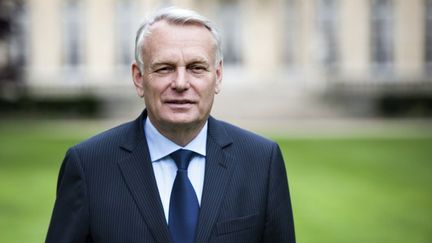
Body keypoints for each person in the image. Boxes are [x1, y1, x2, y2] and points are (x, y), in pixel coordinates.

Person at [45, 7, 295, 243]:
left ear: (217, 76)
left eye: (196, 68)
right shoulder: (89, 166)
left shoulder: (262, 161)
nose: (181, 83)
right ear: (138, 78)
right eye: (165, 68)